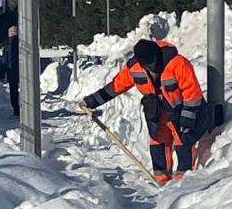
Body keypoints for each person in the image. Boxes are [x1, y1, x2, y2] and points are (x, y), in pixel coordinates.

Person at [80, 38, 207, 184]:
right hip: (158, 115)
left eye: (153, 61)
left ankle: (183, 184)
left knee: (183, 144)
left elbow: (193, 93)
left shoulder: (177, 63)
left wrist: (188, 118)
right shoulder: (134, 68)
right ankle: (162, 182)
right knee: (157, 144)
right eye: (147, 64)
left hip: (181, 112)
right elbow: (115, 86)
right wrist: (91, 101)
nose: (152, 66)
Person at [5, 25, 20, 116]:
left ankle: (16, 108)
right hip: (22, 71)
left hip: (11, 71)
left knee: (13, 90)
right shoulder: (22, 44)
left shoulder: (7, 45)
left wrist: (2, 74)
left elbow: (4, 60)